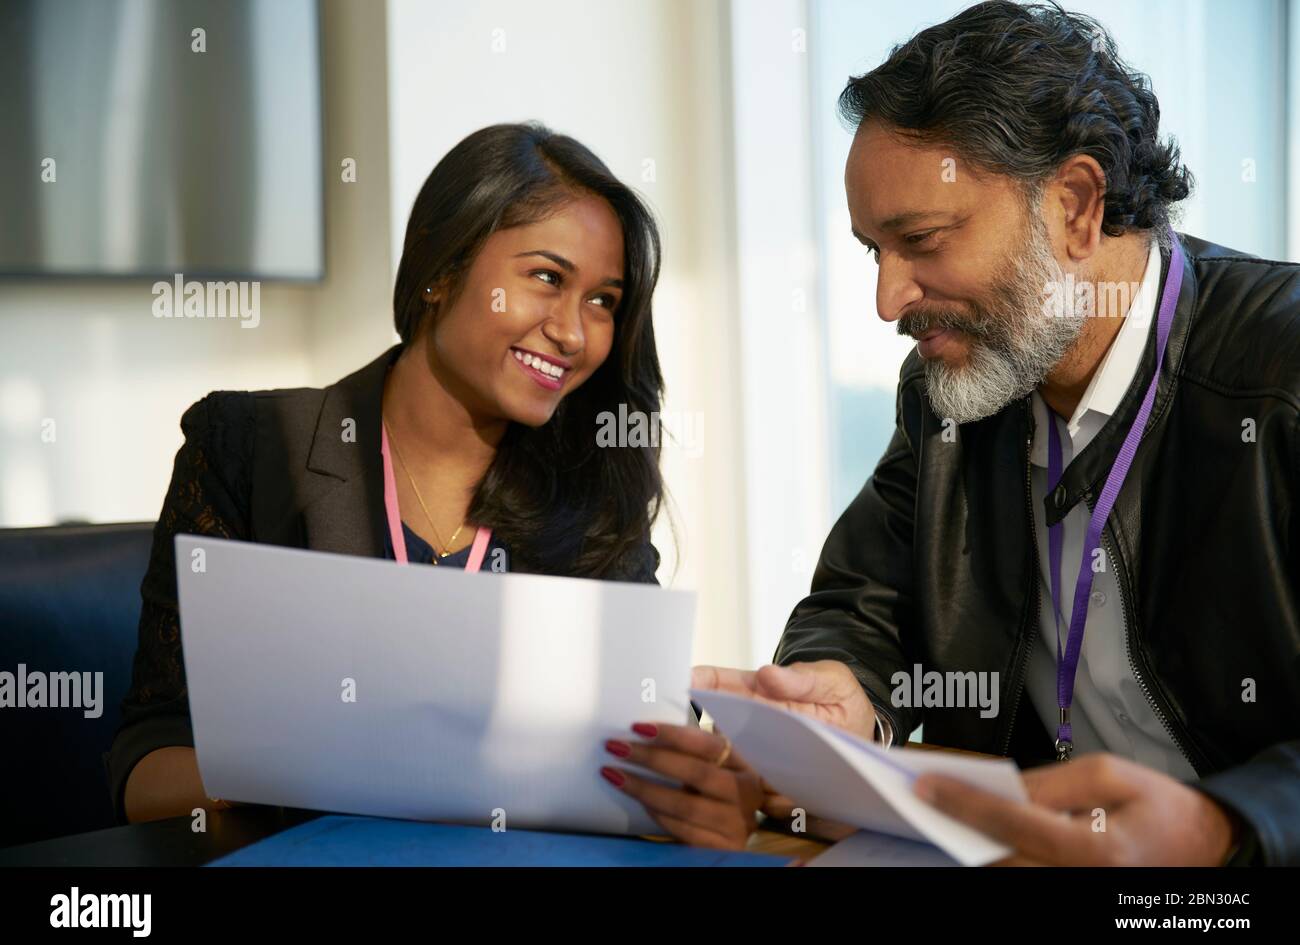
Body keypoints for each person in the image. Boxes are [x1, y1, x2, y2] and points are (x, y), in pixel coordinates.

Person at [698, 1, 1299, 865]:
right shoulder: (957, 388)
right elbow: (865, 602)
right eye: (875, 250)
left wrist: (1227, 829)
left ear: (1078, 206)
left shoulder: (1281, 380)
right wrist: (844, 690)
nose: (887, 299)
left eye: (923, 240)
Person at [107, 122, 763, 848]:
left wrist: (706, 795)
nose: (575, 333)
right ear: (441, 270)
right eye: (547, 278)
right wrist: (313, 771)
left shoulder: (592, 493)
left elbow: (649, 751)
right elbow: (147, 766)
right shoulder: (246, 449)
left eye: (603, 300)